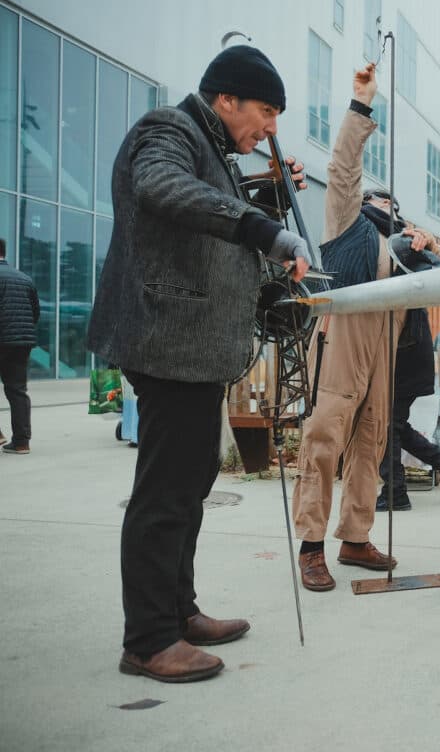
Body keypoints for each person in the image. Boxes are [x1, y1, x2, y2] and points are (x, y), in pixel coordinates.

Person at [88, 45, 312, 683]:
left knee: (190, 485)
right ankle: (148, 639)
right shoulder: (168, 130)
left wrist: (265, 205)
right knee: (166, 493)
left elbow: (213, 230)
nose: (271, 127)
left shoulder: (214, 150)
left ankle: (178, 611)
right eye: (266, 110)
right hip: (168, 342)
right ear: (226, 99)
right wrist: (261, 228)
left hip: (194, 350)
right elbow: (162, 188)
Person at [291, 65, 413, 591]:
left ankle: (355, 537)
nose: (388, 207)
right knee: (324, 438)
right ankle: (311, 546)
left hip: (384, 343)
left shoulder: (402, 245)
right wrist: (361, 106)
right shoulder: (347, 222)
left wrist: (424, 250)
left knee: (371, 442)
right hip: (341, 337)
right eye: (381, 201)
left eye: (393, 205)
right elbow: (343, 167)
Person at [372, 204, 440, 513]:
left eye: (384, 203)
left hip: (409, 352)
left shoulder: (405, 240)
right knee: (394, 424)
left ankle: (396, 492)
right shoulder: (385, 240)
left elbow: (438, 266)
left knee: (389, 425)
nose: (382, 207)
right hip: (406, 351)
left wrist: (432, 244)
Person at [0, 238, 40, 454]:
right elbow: (35, 312)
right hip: (22, 342)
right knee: (17, 390)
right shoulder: (25, 279)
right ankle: (22, 442)